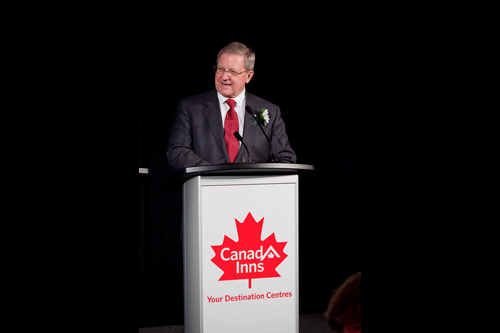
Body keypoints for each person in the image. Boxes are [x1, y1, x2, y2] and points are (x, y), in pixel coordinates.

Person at [167, 41, 297, 171]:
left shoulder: (271, 111)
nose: (224, 77)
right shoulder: (190, 108)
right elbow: (177, 151)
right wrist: (211, 171)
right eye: (220, 69)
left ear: (248, 76)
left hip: (254, 188)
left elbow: (285, 157)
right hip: (207, 186)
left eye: (233, 72)